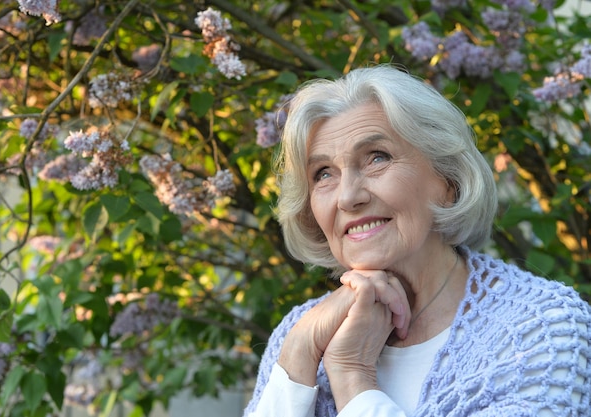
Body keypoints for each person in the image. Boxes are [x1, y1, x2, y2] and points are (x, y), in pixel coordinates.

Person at [243, 65, 591, 417]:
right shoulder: (301, 330)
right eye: (323, 174)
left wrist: (352, 376)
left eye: (377, 157)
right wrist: (299, 352)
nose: (347, 197)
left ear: (447, 179)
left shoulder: (541, 326)